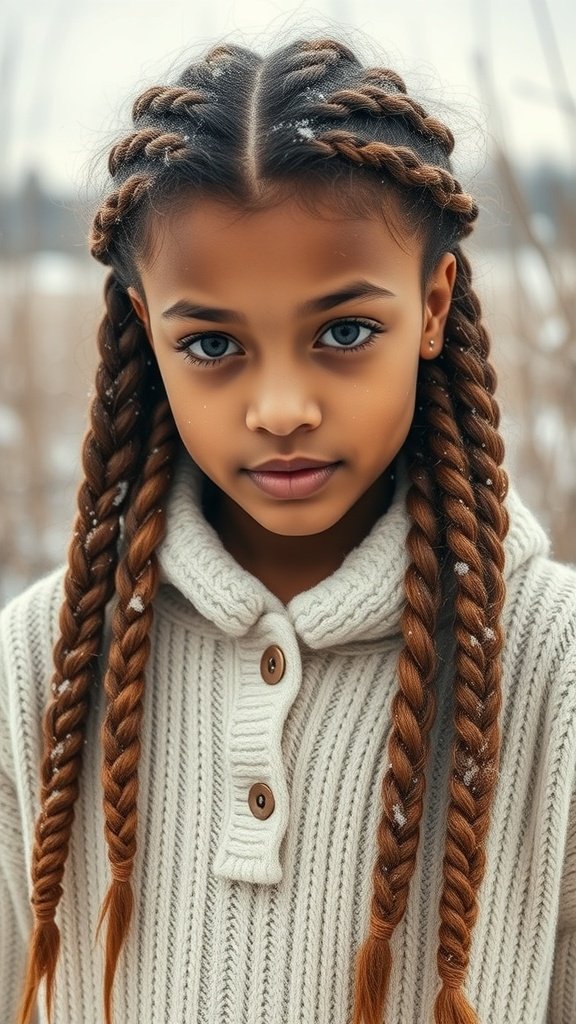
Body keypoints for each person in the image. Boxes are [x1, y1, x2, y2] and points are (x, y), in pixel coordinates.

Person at [1, 31, 574, 1024]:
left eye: (344, 332)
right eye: (213, 342)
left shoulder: (552, 664)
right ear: (145, 329)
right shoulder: (41, 660)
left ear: (433, 307)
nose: (279, 407)